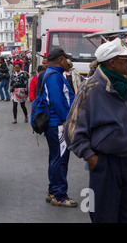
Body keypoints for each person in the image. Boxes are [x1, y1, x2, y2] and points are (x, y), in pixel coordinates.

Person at [64, 38, 127, 222]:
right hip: (106, 163)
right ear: (112, 62)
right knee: (104, 215)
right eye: (125, 60)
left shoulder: (123, 86)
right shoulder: (91, 87)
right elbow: (71, 129)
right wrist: (91, 158)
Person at [40, 48, 76, 207]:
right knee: (60, 159)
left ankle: (53, 191)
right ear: (61, 60)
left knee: (55, 158)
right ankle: (60, 196)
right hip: (58, 124)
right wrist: (65, 120)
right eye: (66, 59)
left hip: (55, 124)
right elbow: (57, 101)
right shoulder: (54, 77)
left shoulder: (51, 74)